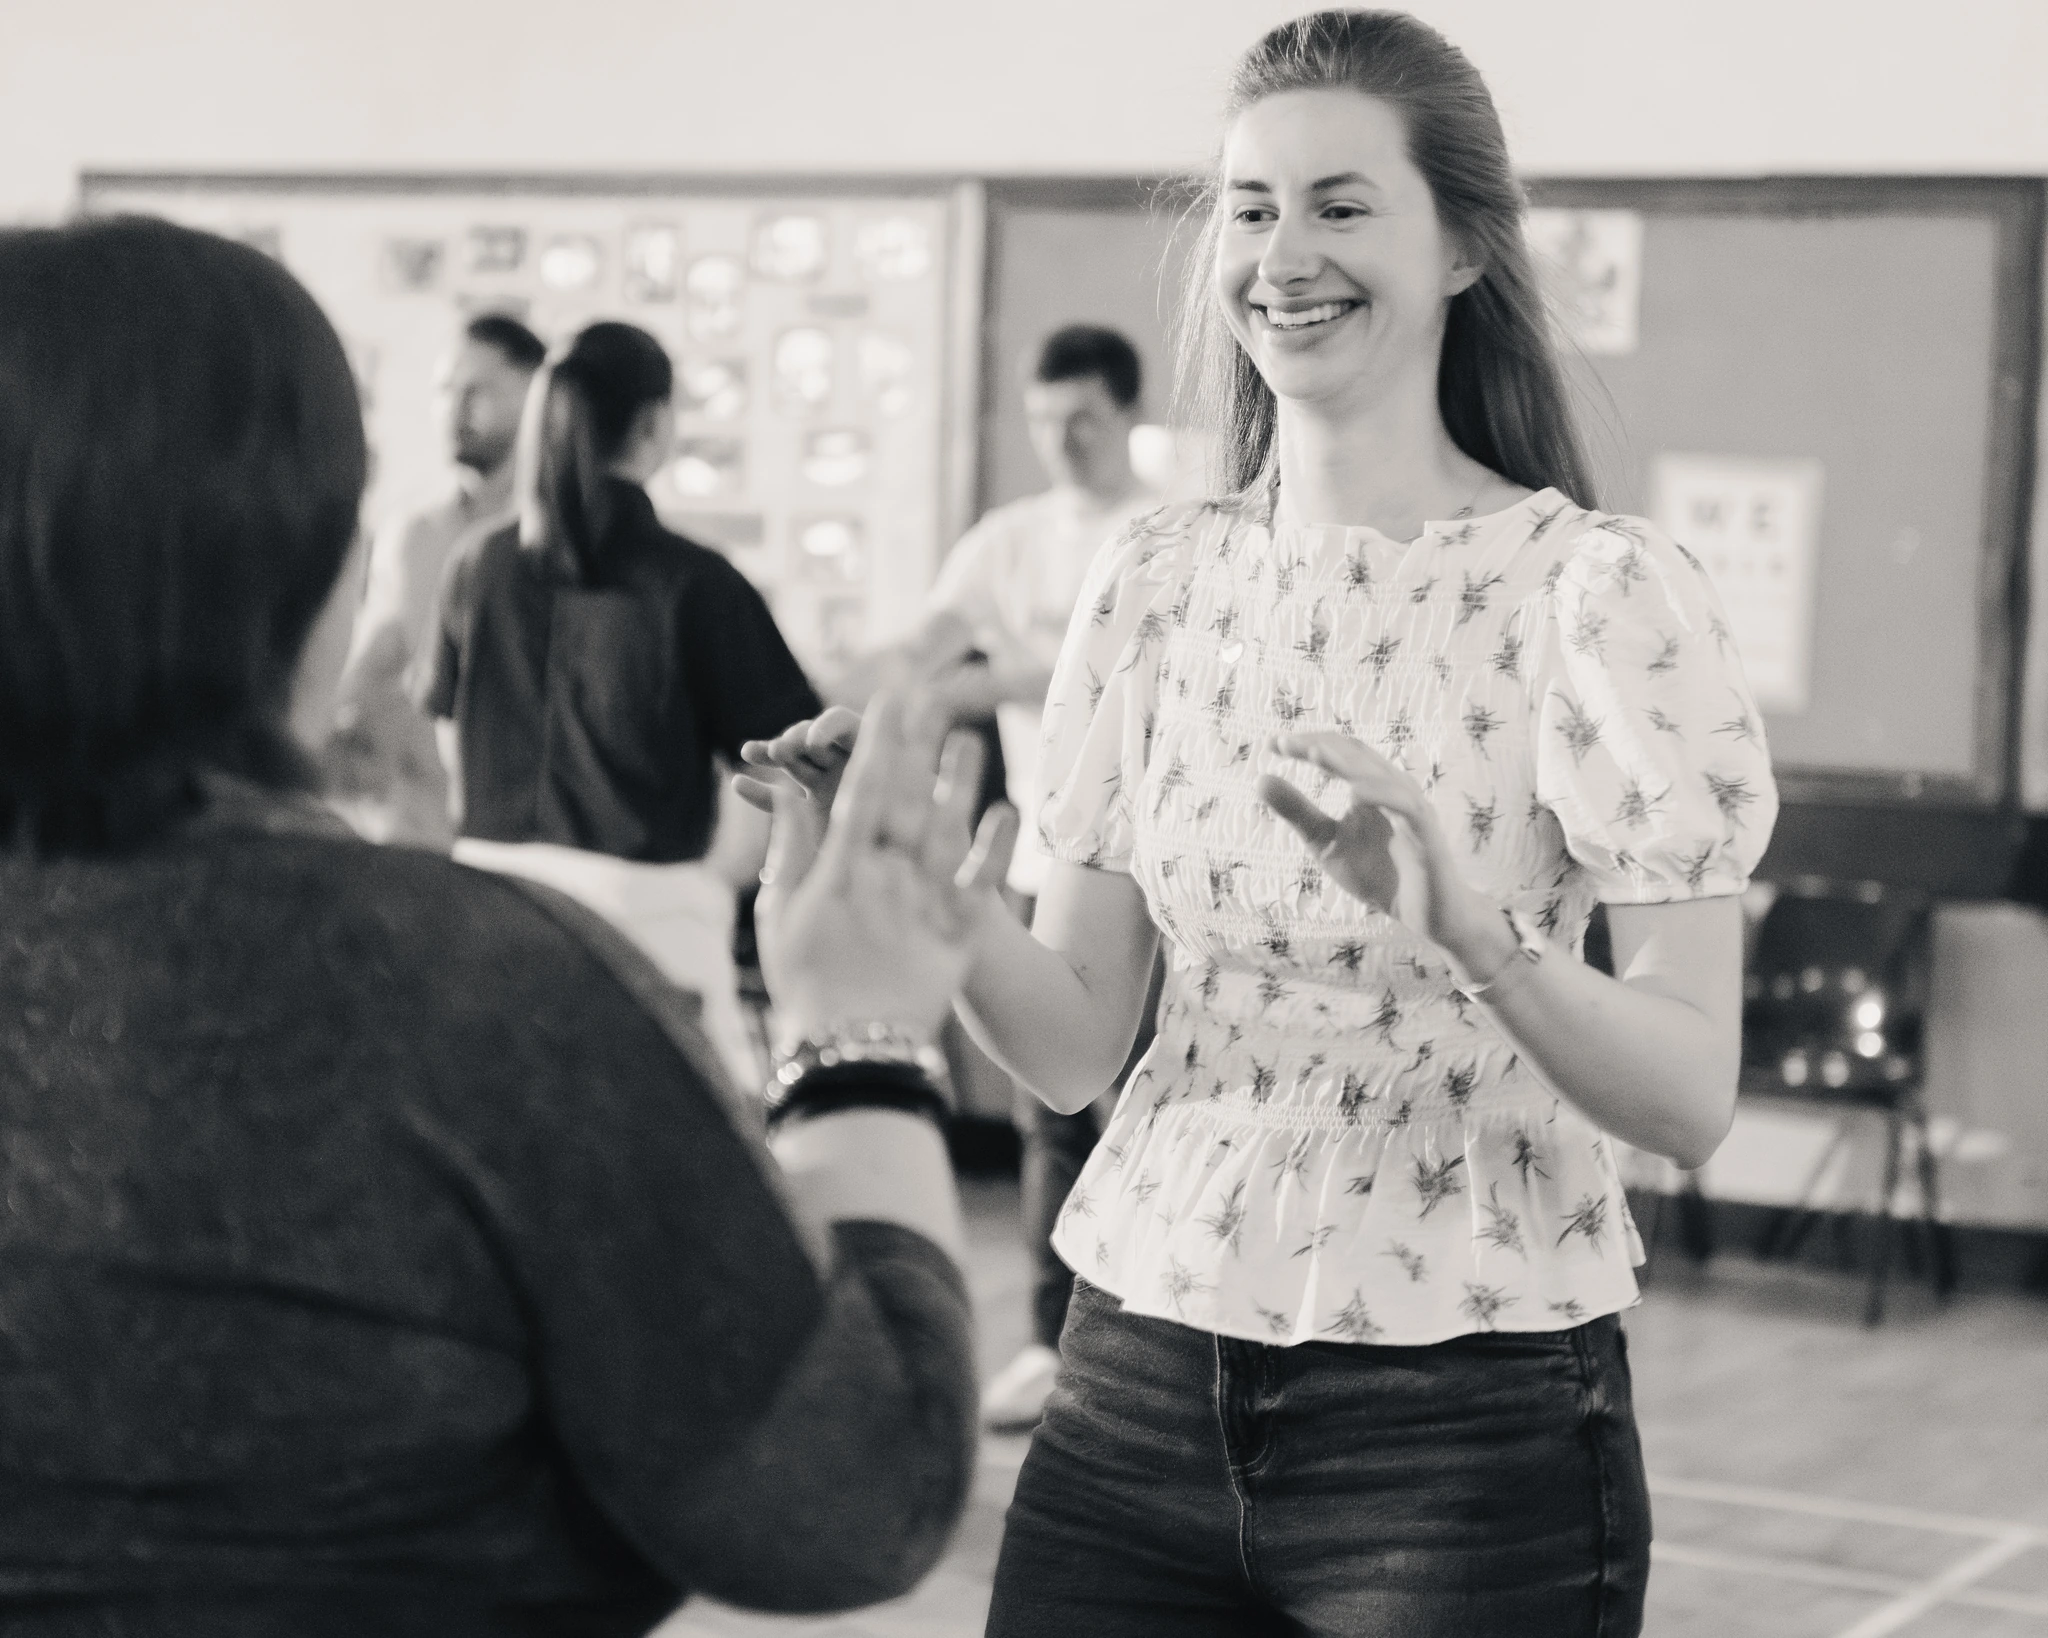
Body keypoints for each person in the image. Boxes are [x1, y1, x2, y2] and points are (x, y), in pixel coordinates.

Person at [748, 11, 1779, 1635]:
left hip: (1467, 1421)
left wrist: (1477, 935)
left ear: (1462, 250)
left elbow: (1689, 1094)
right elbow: (1081, 1043)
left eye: (1340, 205)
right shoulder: (1154, 580)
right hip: (1136, 1370)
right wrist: (934, 910)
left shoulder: (1592, 595)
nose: (1280, 255)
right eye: (1247, 207)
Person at [0, 214, 991, 1637]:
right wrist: (863, 1036)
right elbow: (850, 1498)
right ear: (325, 572)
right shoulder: (480, 996)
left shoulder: (475, 582)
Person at [421, 320, 821, 1086]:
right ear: (654, 425)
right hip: (649, 918)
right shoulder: (696, 583)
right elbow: (790, 759)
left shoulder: (478, 565)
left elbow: (449, 736)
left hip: (486, 899)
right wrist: (721, 878)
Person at [914, 324, 1163, 1430]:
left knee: (1156, 1108)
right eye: (1042, 419)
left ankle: (1161, 1349)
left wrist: (998, 678)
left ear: (1124, 418)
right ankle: (1055, 1345)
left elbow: (1092, 677)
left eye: (1083, 421)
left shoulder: (1169, 529)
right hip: (1036, 861)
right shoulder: (1004, 543)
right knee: (1047, 1118)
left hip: (1160, 879)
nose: (1060, 441)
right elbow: (919, 659)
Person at [328, 311, 544, 848]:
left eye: (478, 391)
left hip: (530, 836)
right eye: (444, 390)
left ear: (536, 397)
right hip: (415, 829)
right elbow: (370, 667)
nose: (455, 409)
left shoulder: (560, 542)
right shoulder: (411, 534)